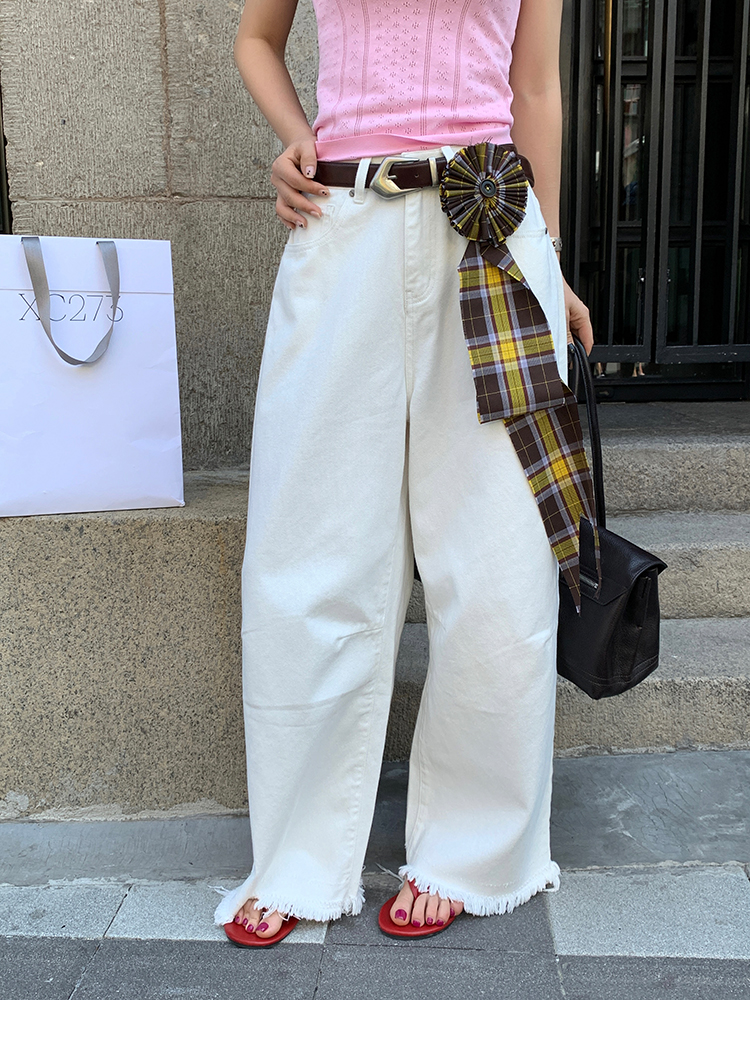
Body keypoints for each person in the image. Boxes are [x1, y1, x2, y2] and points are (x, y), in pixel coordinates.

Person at [214, 0, 594, 945]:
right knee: (310, 545)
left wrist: (549, 257)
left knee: (497, 556)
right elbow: (256, 38)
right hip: (344, 224)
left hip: (490, 228)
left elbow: (535, 87)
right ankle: (296, 855)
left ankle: (472, 851)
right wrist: (296, 137)